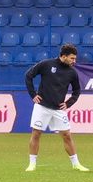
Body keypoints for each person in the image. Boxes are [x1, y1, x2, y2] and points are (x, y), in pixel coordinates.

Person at [24, 44, 89, 172]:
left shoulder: (72, 73)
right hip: (42, 106)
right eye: (72, 58)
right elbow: (28, 76)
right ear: (63, 56)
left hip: (58, 109)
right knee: (36, 134)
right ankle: (32, 164)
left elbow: (77, 91)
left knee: (67, 135)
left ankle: (76, 164)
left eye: (75, 59)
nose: (74, 61)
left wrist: (68, 103)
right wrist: (33, 94)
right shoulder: (46, 64)